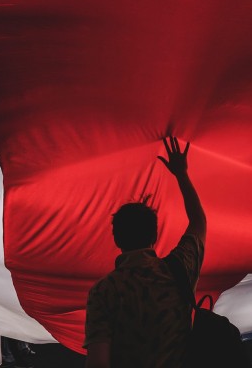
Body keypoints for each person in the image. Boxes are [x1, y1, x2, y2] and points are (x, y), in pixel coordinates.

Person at [84, 136, 207, 368]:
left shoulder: (103, 291)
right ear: (154, 236)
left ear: (116, 239)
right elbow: (199, 222)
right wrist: (181, 174)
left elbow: (98, 362)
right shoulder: (180, 268)